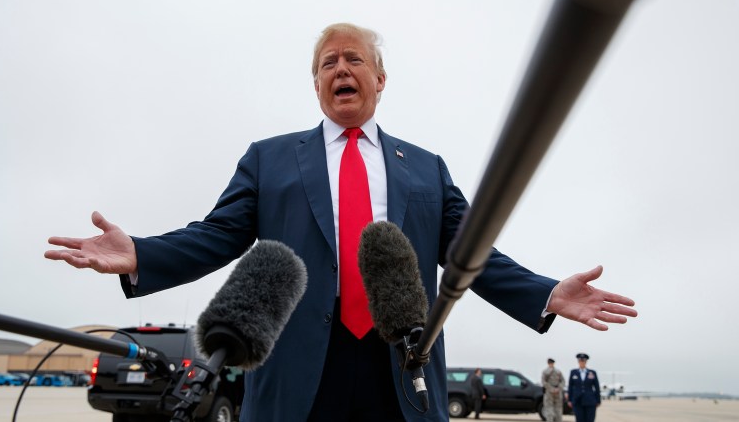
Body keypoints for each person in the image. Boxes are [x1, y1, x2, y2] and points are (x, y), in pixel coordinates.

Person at [44, 23, 637, 421]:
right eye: (328, 62)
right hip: (297, 370)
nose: (340, 68)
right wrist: (141, 255)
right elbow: (217, 234)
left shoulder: (426, 169)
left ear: (380, 79)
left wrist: (545, 293)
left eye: (354, 58)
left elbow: (469, 252)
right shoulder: (269, 158)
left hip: (400, 366)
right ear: (318, 84)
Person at [568, 353, 601, 422]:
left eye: (583, 361)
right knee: (579, 419)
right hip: (577, 401)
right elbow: (570, 387)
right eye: (580, 361)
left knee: (590, 419)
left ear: (586, 362)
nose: (582, 362)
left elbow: (597, 387)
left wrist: (598, 400)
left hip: (590, 401)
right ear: (578, 362)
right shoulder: (573, 372)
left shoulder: (592, 372)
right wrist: (570, 400)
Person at [541, 358, 566, 422]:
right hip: (552, 392)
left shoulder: (547, 371)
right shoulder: (557, 371)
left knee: (556, 411)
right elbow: (544, 382)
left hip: (553, 392)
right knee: (551, 411)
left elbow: (543, 382)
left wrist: (556, 389)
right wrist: (555, 389)